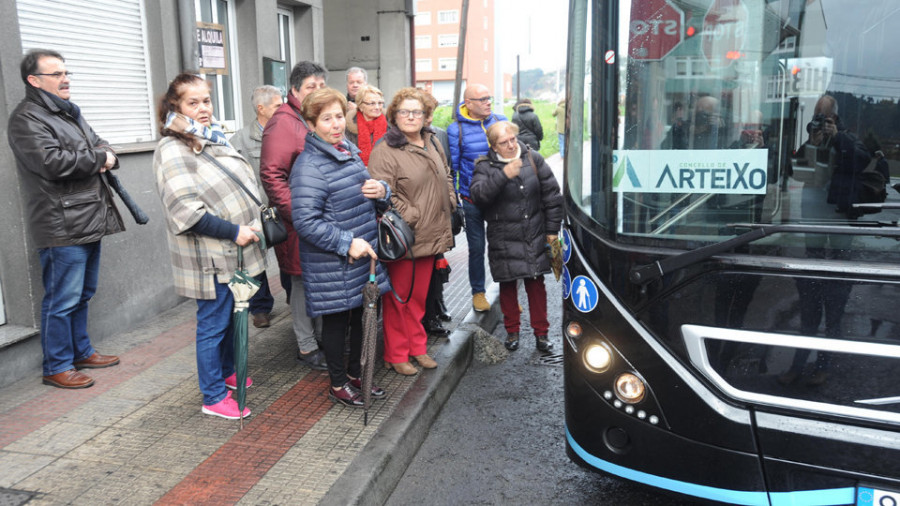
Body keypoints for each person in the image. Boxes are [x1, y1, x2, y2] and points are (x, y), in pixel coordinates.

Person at [8, 49, 123, 389]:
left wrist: (101, 154)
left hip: (88, 216)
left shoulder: (68, 113)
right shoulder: (26, 118)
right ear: (34, 80)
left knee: (83, 293)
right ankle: (56, 366)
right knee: (62, 299)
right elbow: (52, 162)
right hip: (61, 223)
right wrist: (101, 157)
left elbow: (98, 143)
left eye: (65, 72)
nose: (65, 78)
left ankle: (81, 351)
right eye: (56, 74)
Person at [153, 72, 266, 419]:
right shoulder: (173, 148)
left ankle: (228, 372)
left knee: (233, 320)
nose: (203, 108)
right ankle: (213, 396)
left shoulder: (209, 136)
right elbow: (184, 211)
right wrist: (233, 231)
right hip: (211, 259)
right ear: (176, 106)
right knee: (213, 325)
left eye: (207, 100)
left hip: (235, 254)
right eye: (193, 102)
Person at [290, 87, 391, 406]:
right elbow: (305, 222)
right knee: (336, 322)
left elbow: (362, 191)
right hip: (333, 260)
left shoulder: (346, 150)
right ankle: (337, 383)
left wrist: (382, 190)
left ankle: (356, 374)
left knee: (362, 316)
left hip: (361, 254)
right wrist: (347, 242)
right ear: (310, 124)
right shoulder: (309, 166)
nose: (335, 125)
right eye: (326, 119)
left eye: (338, 116)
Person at [369, 87, 457, 375]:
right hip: (405, 236)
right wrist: (412, 216)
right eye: (404, 111)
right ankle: (396, 354)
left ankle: (417, 347)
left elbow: (446, 174)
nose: (410, 117)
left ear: (425, 115)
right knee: (398, 299)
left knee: (419, 299)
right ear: (394, 115)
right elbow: (384, 194)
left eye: (416, 111)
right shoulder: (385, 149)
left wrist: (452, 202)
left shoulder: (432, 141)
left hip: (432, 233)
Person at [470, 121, 563, 352]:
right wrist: (503, 175)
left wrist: (551, 231)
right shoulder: (485, 166)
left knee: (536, 283)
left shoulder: (533, 158)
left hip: (534, 232)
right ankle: (512, 333)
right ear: (493, 146)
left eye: (513, 139)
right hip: (503, 237)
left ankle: (542, 335)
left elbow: (552, 196)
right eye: (504, 142)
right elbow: (479, 196)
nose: (511, 145)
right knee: (508, 284)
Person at [260, 61, 328, 370]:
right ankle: (306, 346)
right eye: (311, 87)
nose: (318, 92)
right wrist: (299, 214)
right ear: (295, 90)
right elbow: (272, 176)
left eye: (321, 86)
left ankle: (320, 338)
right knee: (301, 284)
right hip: (299, 221)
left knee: (320, 280)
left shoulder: (312, 118)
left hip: (322, 220)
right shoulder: (284, 122)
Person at [447, 84, 507, 312]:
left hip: (500, 198)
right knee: (477, 248)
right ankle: (478, 292)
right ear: (468, 103)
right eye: (482, 99)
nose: (488, 102)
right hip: (471, 200)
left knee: (502, 247)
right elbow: (451, 169)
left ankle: (507, 293)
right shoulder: (456, 130)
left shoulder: (500, 120)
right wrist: (454, 202)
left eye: (488, 97)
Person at [230, 85, 283, 329]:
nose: (283, 109)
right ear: (261, 109)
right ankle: (260, 307)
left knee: (289, 254)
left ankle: (295, 296)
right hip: (257, 211)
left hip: (284, 206)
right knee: (257, 260)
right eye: (277, 105)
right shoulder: (239, 140)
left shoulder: (287, 131)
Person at [421, 92, 453, 335]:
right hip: (419, 216)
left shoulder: (438, 136)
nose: (430, 118)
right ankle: (426, 316)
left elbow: (448, 171)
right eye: (426, 113)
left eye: (432, 113)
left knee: (437, 264)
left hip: (439, 213)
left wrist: (452, 202)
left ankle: (435, 308)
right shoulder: (396, 142)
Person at [344, 84, 387, 165]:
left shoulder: (390, 125)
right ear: (360, 106)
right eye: (372, 103)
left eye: (380, 103)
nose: (377, 107)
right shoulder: (348, 127)